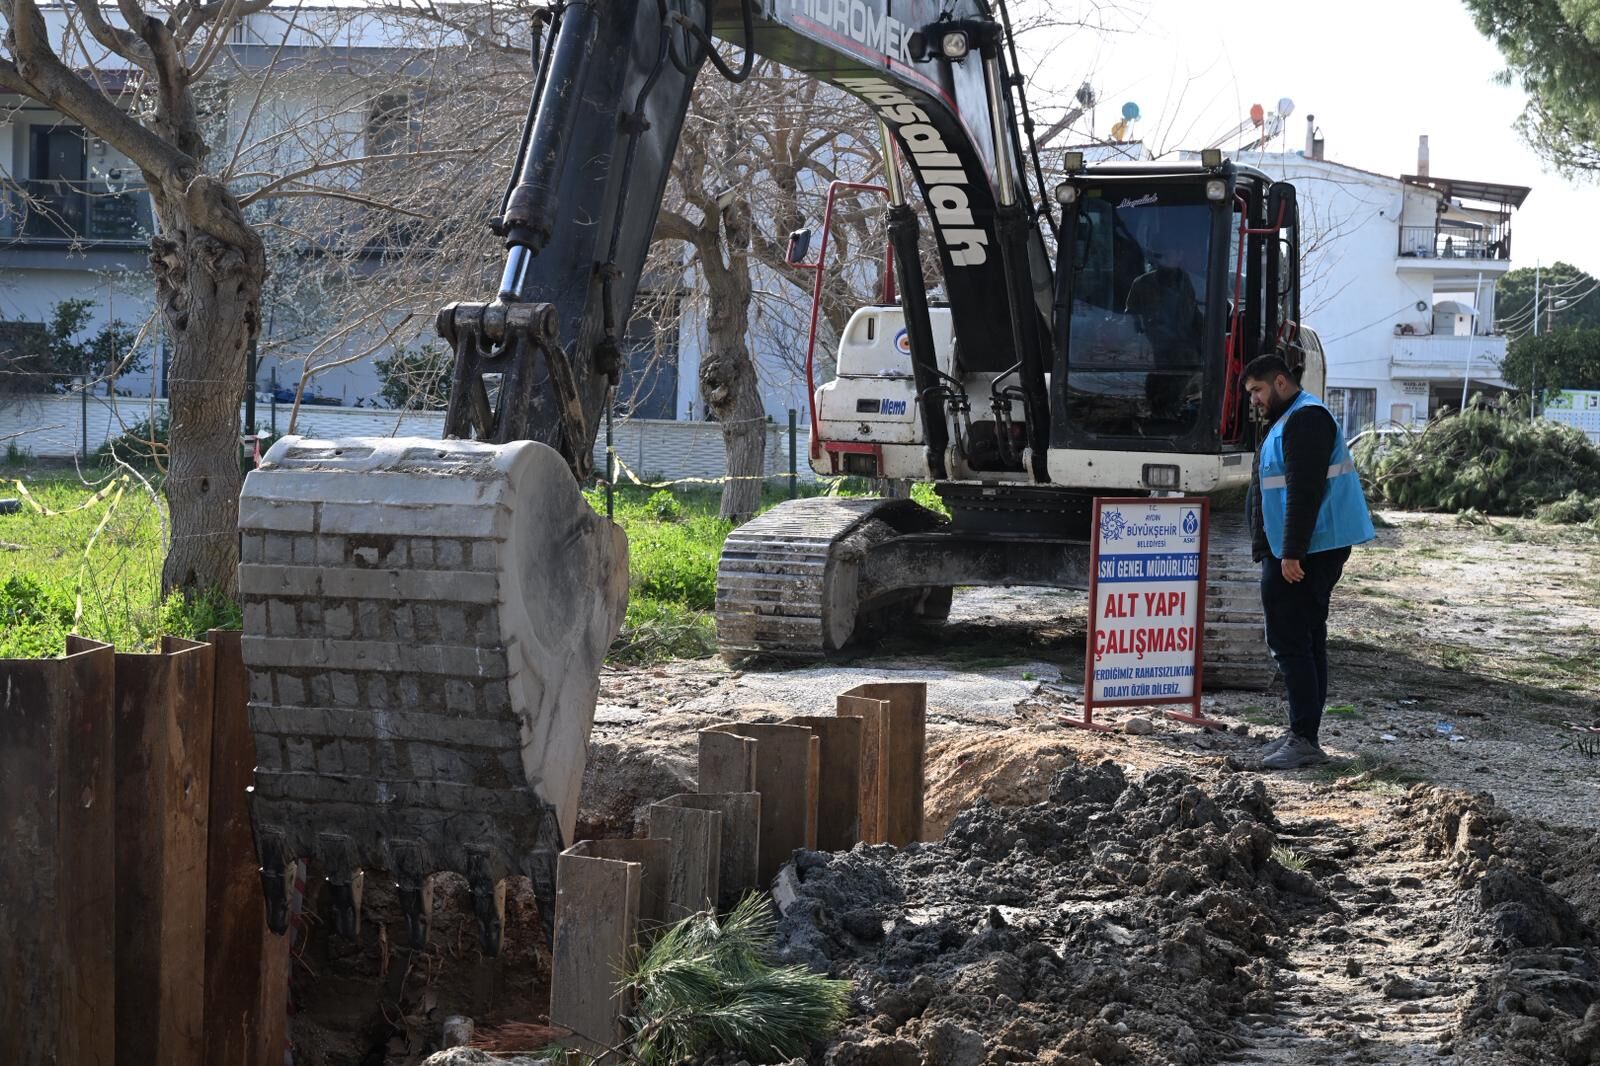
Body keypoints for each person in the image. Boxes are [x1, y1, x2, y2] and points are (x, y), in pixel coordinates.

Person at [1243, 354, 1375, 770]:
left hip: (1307, 550)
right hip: (1301, 548)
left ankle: (1304, 739)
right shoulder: (1290, 420)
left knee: (1289, 640)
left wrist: (1291, 552)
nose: (1255, 400)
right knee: (1306, 637)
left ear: (1281, 382)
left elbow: (1305, 491)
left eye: (1258, 391)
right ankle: (1303, 734)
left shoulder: (1306, 419)